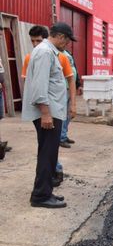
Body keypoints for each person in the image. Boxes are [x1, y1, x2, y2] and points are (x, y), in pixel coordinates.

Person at [22, 22, 77, 208]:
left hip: (52, 112)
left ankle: (45, 191)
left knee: (49, 153)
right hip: (48, 114)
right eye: (68, 41)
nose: (67, 45)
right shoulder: (45, 52)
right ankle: (40, 196)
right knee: (47, 154)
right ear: (61, 36)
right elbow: (39, 86)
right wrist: (45, 113)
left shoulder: (48, 51)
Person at [58, 49, 81, 147]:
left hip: (70, 88)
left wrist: (78, 84)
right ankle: (61, 138)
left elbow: (74, 69)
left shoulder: (68, 53)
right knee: (62, 115)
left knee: (68, 114)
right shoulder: (56, 54)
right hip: (62, 88)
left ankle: (64, 134)